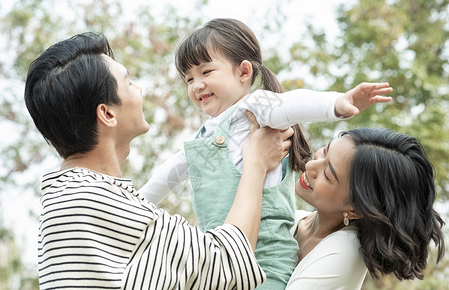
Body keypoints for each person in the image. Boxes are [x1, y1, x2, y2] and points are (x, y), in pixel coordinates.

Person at [25, 32, 295, 289]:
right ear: (107, 114)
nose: (139, 90)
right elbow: (226, 263)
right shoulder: (94, 201)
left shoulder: (69, 197)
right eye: (129, 82)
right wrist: (256, 164)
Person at [140, 18, 393, 289]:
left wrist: (336, 103)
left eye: (206, 72)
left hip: (264, 264)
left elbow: (290, 104)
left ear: (243, 72)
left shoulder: (255, 107)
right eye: (189, 78)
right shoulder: (205, 134)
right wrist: (132, 204)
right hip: (217, 259)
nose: (196, 85)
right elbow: (169, 172)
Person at [286, 127, 446, 289]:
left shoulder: (344, 251)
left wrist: (258, 167)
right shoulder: (294, 218)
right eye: (325, 151)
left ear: (356, 209)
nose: (311, 165)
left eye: (327, 175)